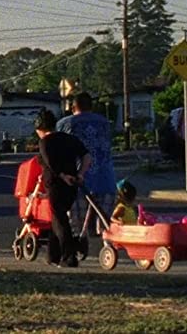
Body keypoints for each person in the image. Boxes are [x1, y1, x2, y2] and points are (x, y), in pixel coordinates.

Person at [36, 109, 92, 267]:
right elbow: (87, 156)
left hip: (55, 184)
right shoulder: (69, 139)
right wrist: (80, 174)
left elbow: (50, 163)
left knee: (60, 219)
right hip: (73, 183)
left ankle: (69, 256)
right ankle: (53, 255)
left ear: (40, 128)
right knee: (57, 218)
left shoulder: (45, 142)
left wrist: (62, 176)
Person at [57, 92, 117, 234]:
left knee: (76, 229)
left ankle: (75, 250)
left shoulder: (64, 124)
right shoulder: (105, 123)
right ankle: (107, 251)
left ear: (73, 107)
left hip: (77, 181)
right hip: (105, 179)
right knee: (105, 228)